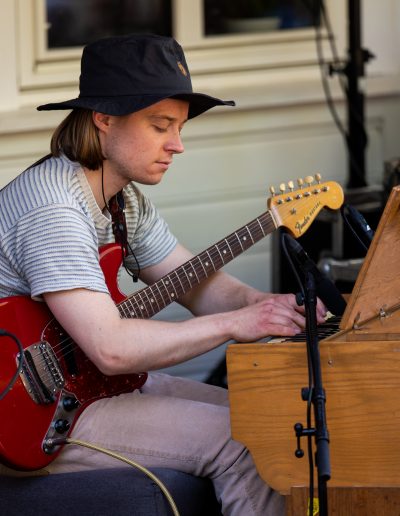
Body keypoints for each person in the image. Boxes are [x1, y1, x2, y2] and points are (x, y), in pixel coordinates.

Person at [0, 34, 326, 514]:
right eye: (160, 126)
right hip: (32, 412)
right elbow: (111, 349)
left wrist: (264, 306)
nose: (177, 145)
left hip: (88, 384)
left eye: (179, 126)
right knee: (243, 441)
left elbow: (193, 283)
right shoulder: (53, 208)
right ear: (104, 119)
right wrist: (236, 325)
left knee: (267, 416)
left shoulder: (120, 198)